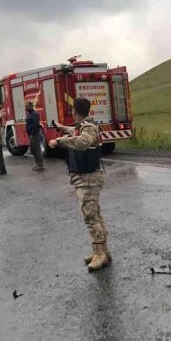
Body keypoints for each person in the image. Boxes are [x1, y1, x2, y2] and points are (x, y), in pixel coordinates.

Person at [49, 98, 111, 271]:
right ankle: (102, 251)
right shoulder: (82, 126)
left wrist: (59, 141)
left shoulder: (88, 128)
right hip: (86, 179)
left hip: (89, 180)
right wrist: (62, 127)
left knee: (90, 217)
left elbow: (83, 141)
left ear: (75, 111)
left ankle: (100, 254)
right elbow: (75, 131)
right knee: (95, 215)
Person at [25, 101, 44, 171]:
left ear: (31, 106)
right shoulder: (30, 114)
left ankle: (40, 165)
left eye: (27, 106)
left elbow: (35, 125)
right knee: (33, 150)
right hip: (32, 135)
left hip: (34, 134)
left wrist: (32, 134)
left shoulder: (34, 114)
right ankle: (37, 164)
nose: (26, 108)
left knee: (37, 149)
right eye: (25, 106)